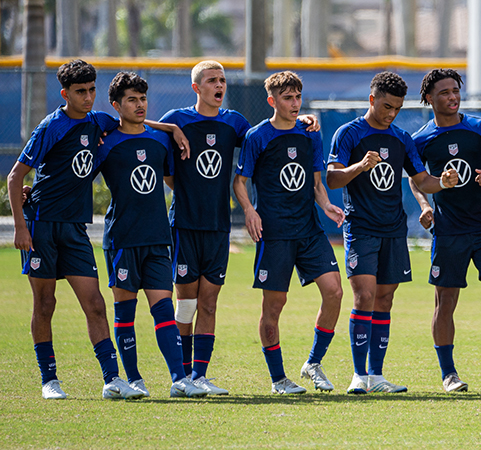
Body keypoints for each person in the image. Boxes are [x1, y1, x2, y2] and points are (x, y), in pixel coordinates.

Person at [6, 60, 184, 400]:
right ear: (65, 94)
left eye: (91, 91)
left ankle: (112, 379)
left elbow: (134, 121)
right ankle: (49, 380)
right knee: (45, 304)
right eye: (80, 92)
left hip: (75, 229)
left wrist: (171, 129)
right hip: (41, 225)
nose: (88, 98)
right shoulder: (51, 127)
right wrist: (21, 227)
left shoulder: (98, 121)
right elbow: (16, 177)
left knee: (96, 305)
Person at [160, 61, 319, 395]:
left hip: (218, 225)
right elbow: (135, 127)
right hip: (185, 223)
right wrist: (171, 131)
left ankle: (199, 377)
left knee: (210, 303)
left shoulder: (235, 123)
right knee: (186, 303)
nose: (220, 86)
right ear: (196, 88)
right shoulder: (177, 119)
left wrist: (300, 119)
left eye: (222, 80)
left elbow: (269, 133)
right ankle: (181, 377)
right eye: (212, 80)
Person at [327, 71, 458, 394]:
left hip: (394, 229)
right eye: (386, 106)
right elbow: (331, 179)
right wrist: (359, 167)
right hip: (362, 228)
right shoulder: (349, 134)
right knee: (364, 296)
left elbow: (421, 179)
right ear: (372, 100)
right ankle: (358, 375)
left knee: (385, 299)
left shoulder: (401, 137)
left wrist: (443, 182)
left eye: (397, 108)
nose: (391, 114)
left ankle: (377, 375)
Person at [94, 71, 207, 398]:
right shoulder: (107, 141)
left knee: (162, 308)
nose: (139, 104)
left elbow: (172, 178)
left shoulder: (160, 140)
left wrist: (170, 128)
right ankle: (134, 380)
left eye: (142, 99)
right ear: (116, 104)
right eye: (131, 99)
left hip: (158, 237)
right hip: (122, 239)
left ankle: (179, 379)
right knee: (125, 312)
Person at [233, 71, 345, 394]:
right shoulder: (257, 137)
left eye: (298, 97)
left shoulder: (310, 134)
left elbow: (315, 184)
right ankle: (278, 379)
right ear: (272, 101)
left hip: (309, 229)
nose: (295, 104)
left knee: (335, 291)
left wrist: (326, 206)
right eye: (287, 98)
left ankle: (313, 362)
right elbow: (240, 182)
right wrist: (250, 211)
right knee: (274, 305)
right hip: (275, 232)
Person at [409, 69, 481, 393]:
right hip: (449, 230)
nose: (452, 97)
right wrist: (425, 206)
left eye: (456, 91)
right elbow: (417, 181)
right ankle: (449, 374)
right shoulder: (421, 140)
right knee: (446, 302)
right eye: (444, 92)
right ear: (429, 98)